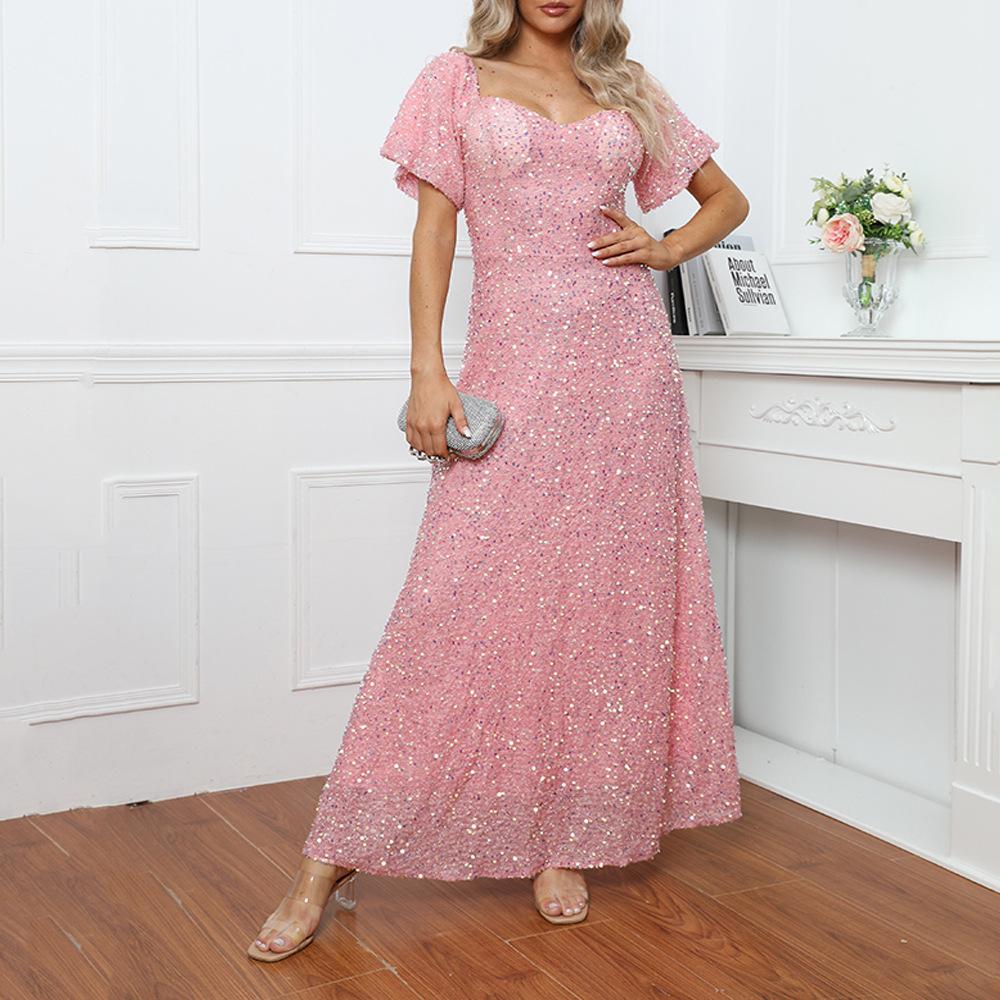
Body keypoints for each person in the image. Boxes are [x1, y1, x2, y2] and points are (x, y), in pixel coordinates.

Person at [249, 0, 749, 962]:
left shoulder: (627, 88)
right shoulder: (455, 79)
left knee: (600, 608)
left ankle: (564, 839)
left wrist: (666, 246)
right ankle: (330, 858)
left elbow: (725, 200)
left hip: (626, 377)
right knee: (454, 604)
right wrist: (427, 374)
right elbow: (435, 231)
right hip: (514, 367)